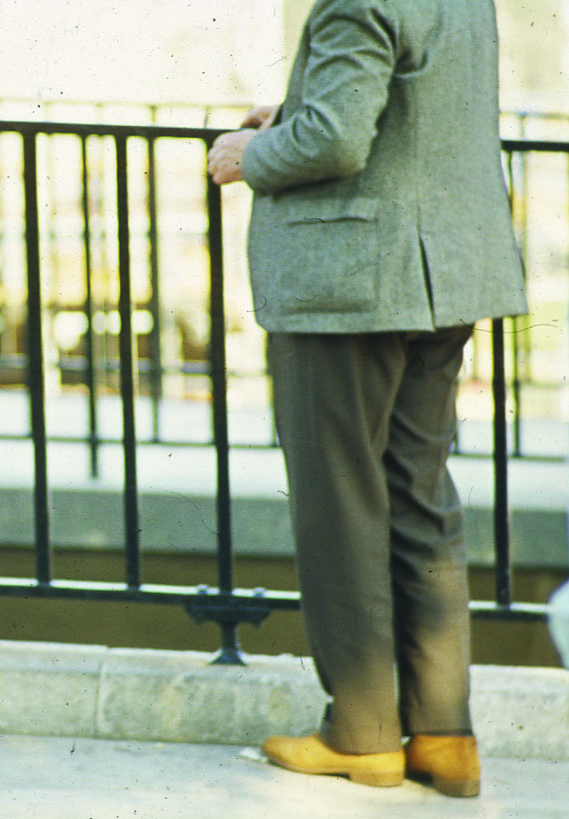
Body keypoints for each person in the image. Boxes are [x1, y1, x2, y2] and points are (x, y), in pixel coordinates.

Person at [207, 0, 527, 798]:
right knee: (418, 495)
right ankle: (445, 736)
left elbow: (339, 140)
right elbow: (412, 112)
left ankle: (361, 734)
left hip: (352, 284)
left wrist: (254, 151)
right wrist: (291, 116)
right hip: (442, 273)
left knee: (339, 500)